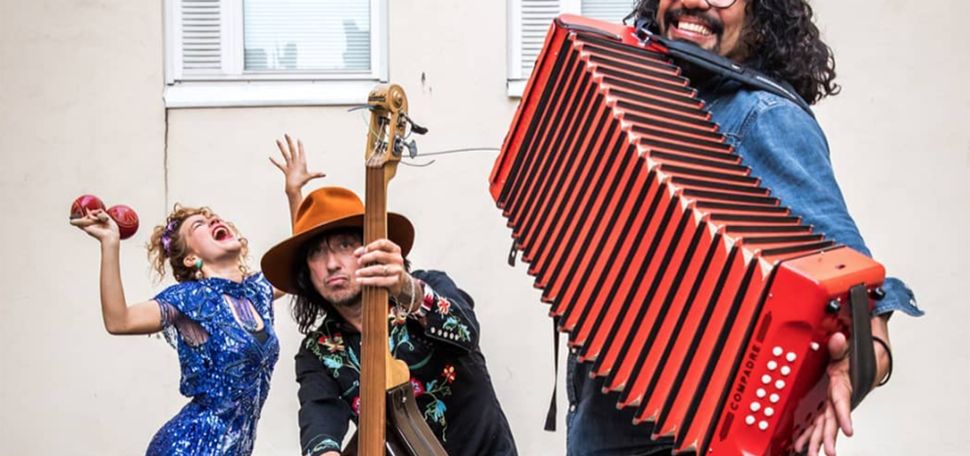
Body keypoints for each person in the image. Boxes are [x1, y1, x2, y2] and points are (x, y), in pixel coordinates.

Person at [564, 1, 924, 455]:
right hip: (602, 429)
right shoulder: (642, 95)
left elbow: (856, 289)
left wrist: (861, 358)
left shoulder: (764, 117)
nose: (694, 3)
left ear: (761, 14)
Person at [262, 137, 518, 456]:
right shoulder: (318, 350)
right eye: (317, 253)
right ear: (307, 274)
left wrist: (405, 289)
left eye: (345, 245)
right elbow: (319, 423)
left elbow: (466, 333)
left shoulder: (428, 286)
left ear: (371, 248)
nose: (331, 263)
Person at [70, 204, 282, 455]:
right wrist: (110, 243)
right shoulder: (189, 298)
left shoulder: (257, 292)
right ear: (191, 258)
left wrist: (294, 192)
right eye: (199, 224)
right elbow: (119, 320)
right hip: (189, 446)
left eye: (214, 218)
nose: (213, 220)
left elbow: (303, 269)